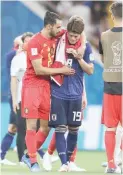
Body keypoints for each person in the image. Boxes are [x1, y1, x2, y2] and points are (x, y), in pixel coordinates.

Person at [21, 11, 75, 172]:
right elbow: (38, 70)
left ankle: (27, 155)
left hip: (46, 86)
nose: (60, 30)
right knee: (31, 126)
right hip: (32, 86)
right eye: (58, 27)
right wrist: (61, 71)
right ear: (49, 26)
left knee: (46, 127)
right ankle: (32, 160)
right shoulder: (35, 43)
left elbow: (76, 31)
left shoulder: (56, 35)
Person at [49, 15, 94, 172]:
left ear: (80, 35)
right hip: (58, 91)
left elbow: (90, 70)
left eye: (76, 36)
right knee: (60, 127)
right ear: (67, 32)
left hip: (75, 94)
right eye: (71, 35)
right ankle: (63, 163)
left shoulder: (85, 47)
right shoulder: (59, 40)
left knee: (74, 129)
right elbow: (46, 33)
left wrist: (79, 57)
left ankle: (68, 161)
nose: (73, 38)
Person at [99, 2, 122, 174]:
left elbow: (102, 59)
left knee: (110, 128)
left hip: (110, 87)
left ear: (112, 16)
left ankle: (111, 164)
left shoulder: (104, 36)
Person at [10, 32, 34, 164]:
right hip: (21, 98)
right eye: (27, 41)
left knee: (35, 128)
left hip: (36, 99)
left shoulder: (39, 57)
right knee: (21, 129)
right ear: (23, 43)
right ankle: (21, 159)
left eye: (31, 41)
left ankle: (29, 154)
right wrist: (14, 100)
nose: (29, 44)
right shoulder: (17, 59)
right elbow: (14, 81)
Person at [0, 36, 23, 165]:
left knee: (15, 128)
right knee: (16, 127)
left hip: (21, 95)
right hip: (15, 95)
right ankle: (39, 155)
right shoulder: (12, 56)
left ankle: (3, 154)